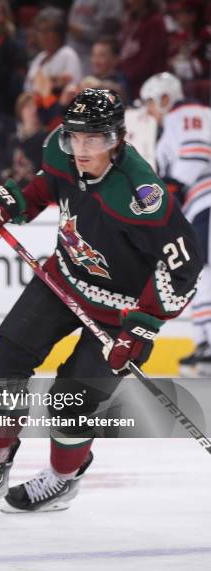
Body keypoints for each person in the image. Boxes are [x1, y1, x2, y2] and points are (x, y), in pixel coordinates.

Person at [0, 88, 203, 519]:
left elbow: (184, 265)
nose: (82, 150)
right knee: (5, 360)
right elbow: (46, 185)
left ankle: (64, 477)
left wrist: (141, 327)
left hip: (120, 309)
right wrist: (11, 202)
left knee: (73, 399)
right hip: (61, 280)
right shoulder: (62, 154)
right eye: (75, 138)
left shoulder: (142, 194)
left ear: (118, 139)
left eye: (94, 140)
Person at [140, 72, 211, 375]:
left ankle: (208, 344)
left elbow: (195, 158)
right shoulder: (178, 120)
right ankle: (203, 341)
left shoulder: (185, 113)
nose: (150, 110)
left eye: (151, 103)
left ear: (165, 98)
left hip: (206, 200)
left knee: (204, 269)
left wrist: (170, 192)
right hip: (200, 204)